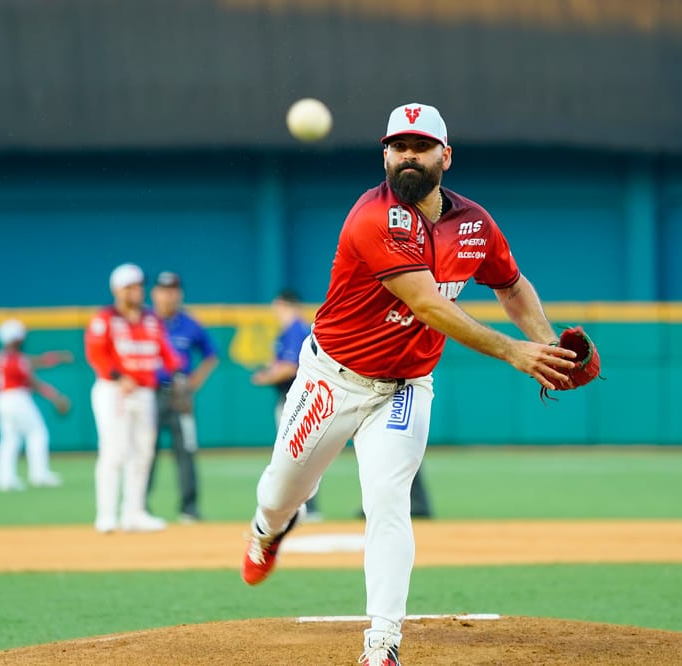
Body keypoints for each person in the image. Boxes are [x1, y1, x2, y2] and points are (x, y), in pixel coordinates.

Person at [240, 102, 578, 666]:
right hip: (332, 378)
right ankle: (266, 532)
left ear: (446, 155)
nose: (409, 156)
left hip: (403, 386)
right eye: (398, 147)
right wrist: (513, 351)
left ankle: (382, 643)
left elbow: (512, 287)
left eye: (421, 146)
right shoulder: (373, 217)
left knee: (388, 502)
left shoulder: (474, 223)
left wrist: (547, 347)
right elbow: (425, 303)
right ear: (386, 155)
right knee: (281, 492)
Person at [85, 262, 182, 534]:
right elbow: (95, 353)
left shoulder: (151, 319)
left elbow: (166, 352)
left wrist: (177, 373)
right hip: (113, 391)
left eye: (139, 285)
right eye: (130, 286)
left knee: (143, 453)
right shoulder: (104, 319)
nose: (137, 291)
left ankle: (134, 513)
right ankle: (106, 514)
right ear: (117, 290)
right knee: (114, 451)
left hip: (145, 391)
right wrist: (117, 377)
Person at [145, 270, 219, 524]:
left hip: (180, 396)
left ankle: (189, 508)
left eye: (173, 290)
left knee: (186, 450)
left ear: (180, 293)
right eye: (164, 290)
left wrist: (194, 382)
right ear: (154, 293)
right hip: (150, 394)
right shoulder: (145, 321)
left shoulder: (190, 323)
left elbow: (211, 354)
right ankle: (139, 507)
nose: (169, 295)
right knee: (145, 452)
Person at [249, 289, 322, 522]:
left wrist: (265, 377)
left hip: (299, 400)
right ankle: (301, 508)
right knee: (295, 454)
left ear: (284, 305)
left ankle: (306, 508)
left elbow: (290, 367)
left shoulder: (295, 329)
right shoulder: (289, 331)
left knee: (297, 454)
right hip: (292, 398)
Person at [0, 318, 72, 492]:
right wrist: (56, 397)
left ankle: (5, 479)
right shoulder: (14, 359)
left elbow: (34, 361)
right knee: (37, 433)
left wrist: (57, 358)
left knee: (10, 439)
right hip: (17, 398)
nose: (24, 339)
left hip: (2, 400)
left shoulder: (3, 356)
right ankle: (39, 474)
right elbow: (33, 382)